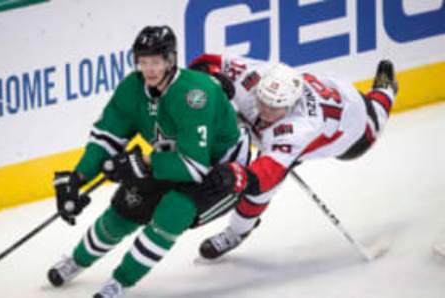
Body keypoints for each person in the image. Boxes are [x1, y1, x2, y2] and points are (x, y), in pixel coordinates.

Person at [47, 26, 251, 298]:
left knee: (172, 211)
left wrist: (142, 162)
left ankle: (120, 282)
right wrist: (78, 177)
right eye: (143, 62)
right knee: (124, 208)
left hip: (218, 167)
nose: (149, 69)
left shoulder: (194, 95)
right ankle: (77, 260)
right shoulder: (133, 89)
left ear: (170, 60)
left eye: (155, 62)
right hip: (171, 157)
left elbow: (194, 166)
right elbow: (106, 137)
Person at [188, 53, 398, 259]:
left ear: (292, 105)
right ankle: (237, 231)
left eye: (275, 108)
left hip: (352, 123)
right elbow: (205, 63)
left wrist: (238, 177)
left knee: (375, 122)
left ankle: (385, 90)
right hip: (328, 88)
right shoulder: (256, 76)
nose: (265, 113)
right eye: (262, 102)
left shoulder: (299, 129)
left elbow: (264, 176)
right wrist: (214, 78)